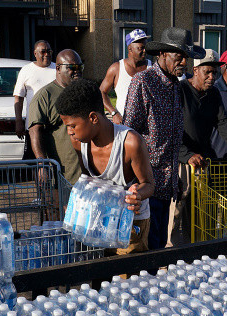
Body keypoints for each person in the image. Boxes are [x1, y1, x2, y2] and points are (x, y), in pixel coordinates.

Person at [123, 27, 205, 250]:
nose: (183, 63)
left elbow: (174, 138)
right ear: (162, 55)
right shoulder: (143, 82)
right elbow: (128, 134)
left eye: (185, 58)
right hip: (146, 186)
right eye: (179, 57)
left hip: (167, 184)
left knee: (159, 246)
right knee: (146, 250)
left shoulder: (177, 87)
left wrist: (174, 178)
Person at [57, 78, 154, 255]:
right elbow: (89, 180)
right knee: (100, 276)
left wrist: (137, 194)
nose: (69, 132)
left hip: (130, 224)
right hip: (98, 219)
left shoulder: (130, 143)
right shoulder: (79, 141)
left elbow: (149, 184)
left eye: (72, 126)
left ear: (93, 117)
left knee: (127, 277)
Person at [169, 49, 227, 246]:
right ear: (195, 70)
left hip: (205, 158)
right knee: (186, 208)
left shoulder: (213, 94)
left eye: (215, 72)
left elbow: (222, 121)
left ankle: (206, 249)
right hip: (184, 158)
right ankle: (182, 252)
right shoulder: (180, 91)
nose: (212, 77)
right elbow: (169, 131)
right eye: (207, 72)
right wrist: (186, 155)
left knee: (208, 208)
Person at [27, 49, 83, 185]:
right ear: (58, 68)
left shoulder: (84, 91)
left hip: (86, 169)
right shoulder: (45, 96)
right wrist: (42, 163)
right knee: (61, 205)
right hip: (62, 171)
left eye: (80, 67)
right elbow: (35, 130)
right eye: (72, 67)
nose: (77, 71)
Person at [13, 40, 56, 159]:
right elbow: (19, 98)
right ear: (35, 53)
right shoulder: (26, 70)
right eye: (43, 51)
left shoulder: (57, 69)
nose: (47, 54)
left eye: (49, 51)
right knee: (33, 160)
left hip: (55, 126)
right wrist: (18, 121)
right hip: (34, 126)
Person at [99, 29, 151, 124]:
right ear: (130, 48)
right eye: (141, 48)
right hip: (124, 125)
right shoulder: (116, 68)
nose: (145, 51)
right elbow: (102, 92)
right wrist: (114, 113)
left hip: (148, 127)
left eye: (145, 47)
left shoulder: (151, 68)